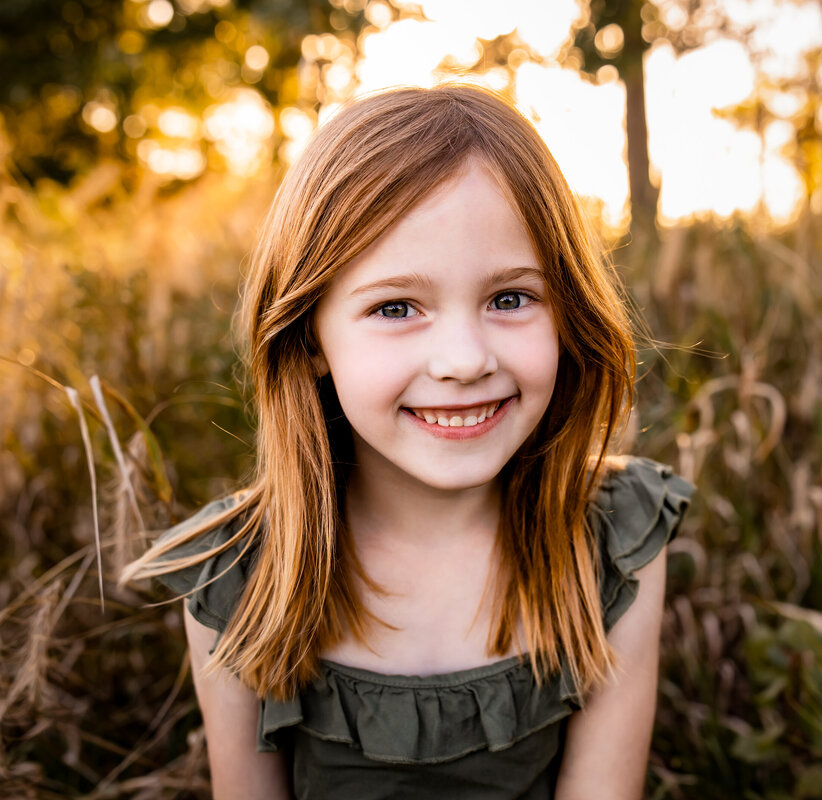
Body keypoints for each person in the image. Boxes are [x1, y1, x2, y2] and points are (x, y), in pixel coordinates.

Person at [121, 84, 693, 800]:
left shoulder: (611, 539)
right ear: (309, 339)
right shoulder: (237, 576)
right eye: (397, 307)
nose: (464, 358)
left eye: (509, 298)